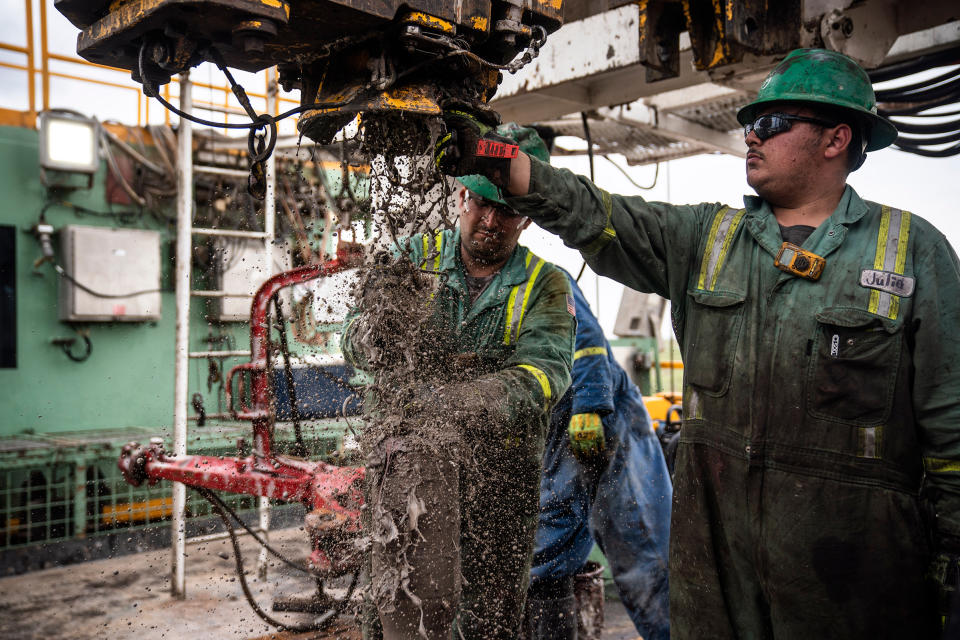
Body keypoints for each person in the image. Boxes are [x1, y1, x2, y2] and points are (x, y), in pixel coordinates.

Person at [437, 48, 960, 638]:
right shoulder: (707, 239)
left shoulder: (913, 254)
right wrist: (497, 159)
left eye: (770, 123)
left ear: (836, 138)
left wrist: (950, 571)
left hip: (850, 575)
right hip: (715, 563)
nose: (750, 135)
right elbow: (596, 213)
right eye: (748, 123)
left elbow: (951, 432)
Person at [341, 124, 576, 639]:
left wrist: (451, 402)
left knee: (489, 618)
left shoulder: (545, 285)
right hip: (408, 470)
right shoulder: (412, 257)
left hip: (500, 481)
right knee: (394, 603)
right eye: (480, 204)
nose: (491, 220)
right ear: (460, 196)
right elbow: (351, 338)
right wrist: (373, 335)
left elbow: (543, 377)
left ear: (528, 217)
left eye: (508, 210)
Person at [528, 269, 672, 640]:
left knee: (641, 548)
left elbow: (587, 338)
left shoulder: (542, 277)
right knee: (545, 554)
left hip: (603, 418)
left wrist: (591, 406)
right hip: (552, 429)